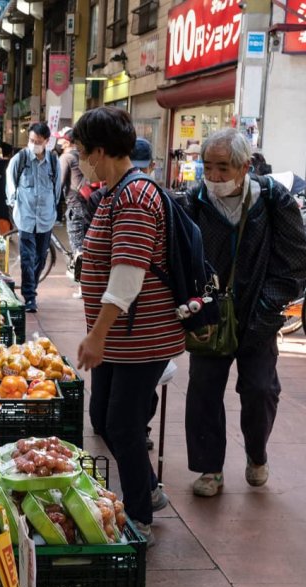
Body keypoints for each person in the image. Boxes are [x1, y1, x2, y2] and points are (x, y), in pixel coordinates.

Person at [72, 106, 183, 546]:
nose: (81, 160)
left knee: (121, 425)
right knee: (103, 418)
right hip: (120, 338)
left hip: (141, 337)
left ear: (101, 151)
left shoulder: (135, 197)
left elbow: (128, 275)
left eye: (83, 152)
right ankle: (147, 488)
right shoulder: (115, 192)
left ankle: (139, 514)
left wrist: (97, 334)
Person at [181, 128, 306, 497]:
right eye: (208, 167)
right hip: (209, 317)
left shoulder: (273, 200)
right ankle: (209, 469)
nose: (215, 177)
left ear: (245, 166)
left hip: (259, 316)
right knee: (203, 392)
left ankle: (257, 454)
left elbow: (295, 262)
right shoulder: (194, 201)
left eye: (224, 167)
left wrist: (268, 306)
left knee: (260, 390)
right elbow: (180, 257)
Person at [6, 122, 62, 313]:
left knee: (41, 257)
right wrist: (13, 202)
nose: (34, 144)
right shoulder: (20, 159)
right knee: (28, 258)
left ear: (47, 141)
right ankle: (30, 297)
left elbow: (57, 189)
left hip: (46, 218)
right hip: (25, 217)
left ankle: (32, 288)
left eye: (38, 141)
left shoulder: (54, 162)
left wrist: (54, 211)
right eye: (31, 140)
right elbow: (10, 181)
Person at [56, 127, 86, 254]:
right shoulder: (83, 154)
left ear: (67, 142)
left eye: (60, 139)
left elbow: (58, 183)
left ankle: (79, 272)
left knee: (78, 248)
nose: (58, 141)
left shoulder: (66, 157)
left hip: (75, 205)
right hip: (88, 204)